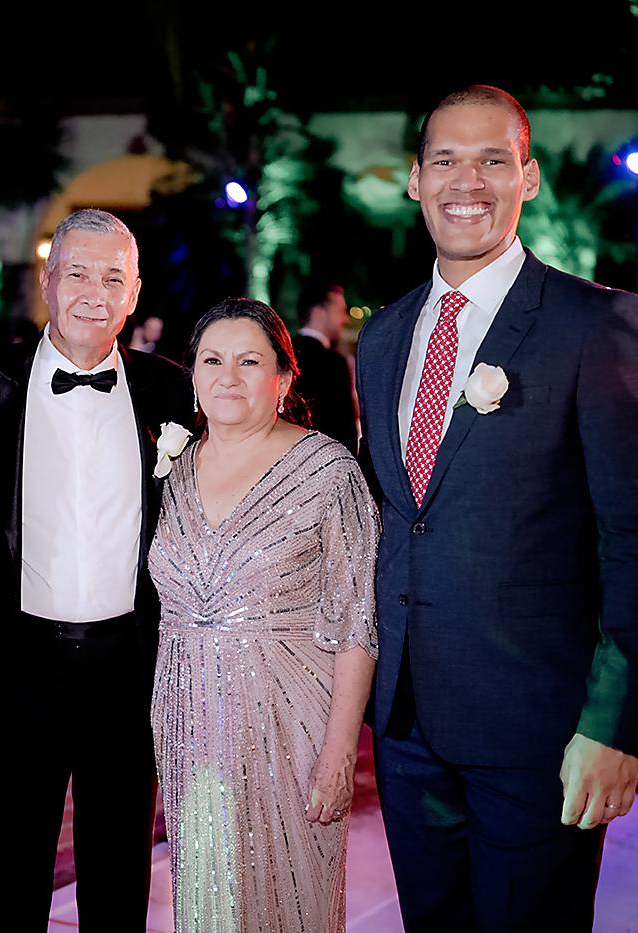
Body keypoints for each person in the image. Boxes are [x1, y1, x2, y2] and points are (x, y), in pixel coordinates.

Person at [355, 86, 638, 931]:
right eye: (445, 160)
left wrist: (616, 726)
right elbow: (398, 518)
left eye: (492, 160)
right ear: (415, 181)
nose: (467, 180)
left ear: (527, 178)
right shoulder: (386, 336)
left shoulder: (596, 323)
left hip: (539, 732)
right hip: (405, 729)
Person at [0, 209, 192, 931]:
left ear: (134, 290)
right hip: (17, 669)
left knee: (120, 881)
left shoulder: (172, 393)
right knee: (13, 881)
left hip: (131, 670)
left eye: (112, 276)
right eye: (78, 272)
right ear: (48, 282)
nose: (94, 290)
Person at [150, 298, 378, 932]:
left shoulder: (328, 472)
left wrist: (339, 757)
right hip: (189, 725)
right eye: (212, 360)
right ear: (192, 376)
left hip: (290, 724)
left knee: (290, 898)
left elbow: (357, 621)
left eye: (250, 362)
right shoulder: (173, 470)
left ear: (283, 376)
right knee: (207, 901)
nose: (229, 377)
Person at [293, 283, 358, 452]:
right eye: (340, 311)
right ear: (319, 312)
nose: (345, 319)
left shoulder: (281, 354)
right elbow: (344, 427)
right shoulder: (333, 362)